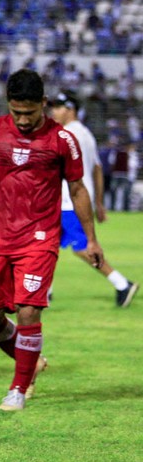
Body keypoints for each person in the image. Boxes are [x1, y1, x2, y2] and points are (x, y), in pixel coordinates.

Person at [0, 70, 103, 411]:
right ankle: (31, 360)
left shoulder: (62, 140)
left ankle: (18, 386)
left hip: (39, 238)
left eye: (30, 112)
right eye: (17, 113)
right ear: (8, 106)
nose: (24, 120)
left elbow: (77, 189)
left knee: (29, 310)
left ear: (43, 104)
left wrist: (92, 239)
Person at [48, 91, 137, 307]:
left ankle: (122, 284)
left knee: (82, 247)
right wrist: (98, 201)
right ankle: (44, 292)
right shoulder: (86, 134)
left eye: (58, 107)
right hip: (75, 198)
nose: (53, 112)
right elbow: (97, 168)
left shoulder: (65, 134)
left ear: (70, 109)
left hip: (70, 200)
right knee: (47, 244)